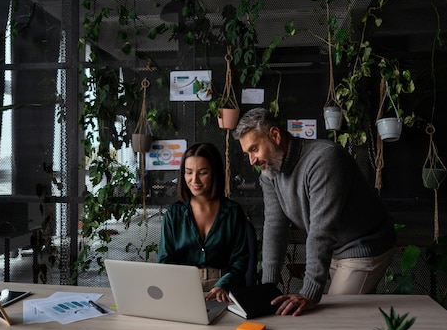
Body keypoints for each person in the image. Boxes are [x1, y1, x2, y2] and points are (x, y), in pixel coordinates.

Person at [233, 108, 396, 316]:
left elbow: (321, 229)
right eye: (247, 153)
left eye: (254, 149)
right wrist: (268, 287)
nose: (252, 160)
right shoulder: (270, 174)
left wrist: (309, 293)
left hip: (365, 245)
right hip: (337, 248)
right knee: (357, 319)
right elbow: (275, 226)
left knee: (332, 318)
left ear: (275, 135)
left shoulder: (324, 159)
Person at [157, 142, 250, 302]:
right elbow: (164, 260)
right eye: (189, 172)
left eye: (203, 172)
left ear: (214, 173)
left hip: (225, 291)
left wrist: (223, 285)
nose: (195, 180)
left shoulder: (233, 212)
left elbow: (240, 260)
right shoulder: (174, 215)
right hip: (183, 290)